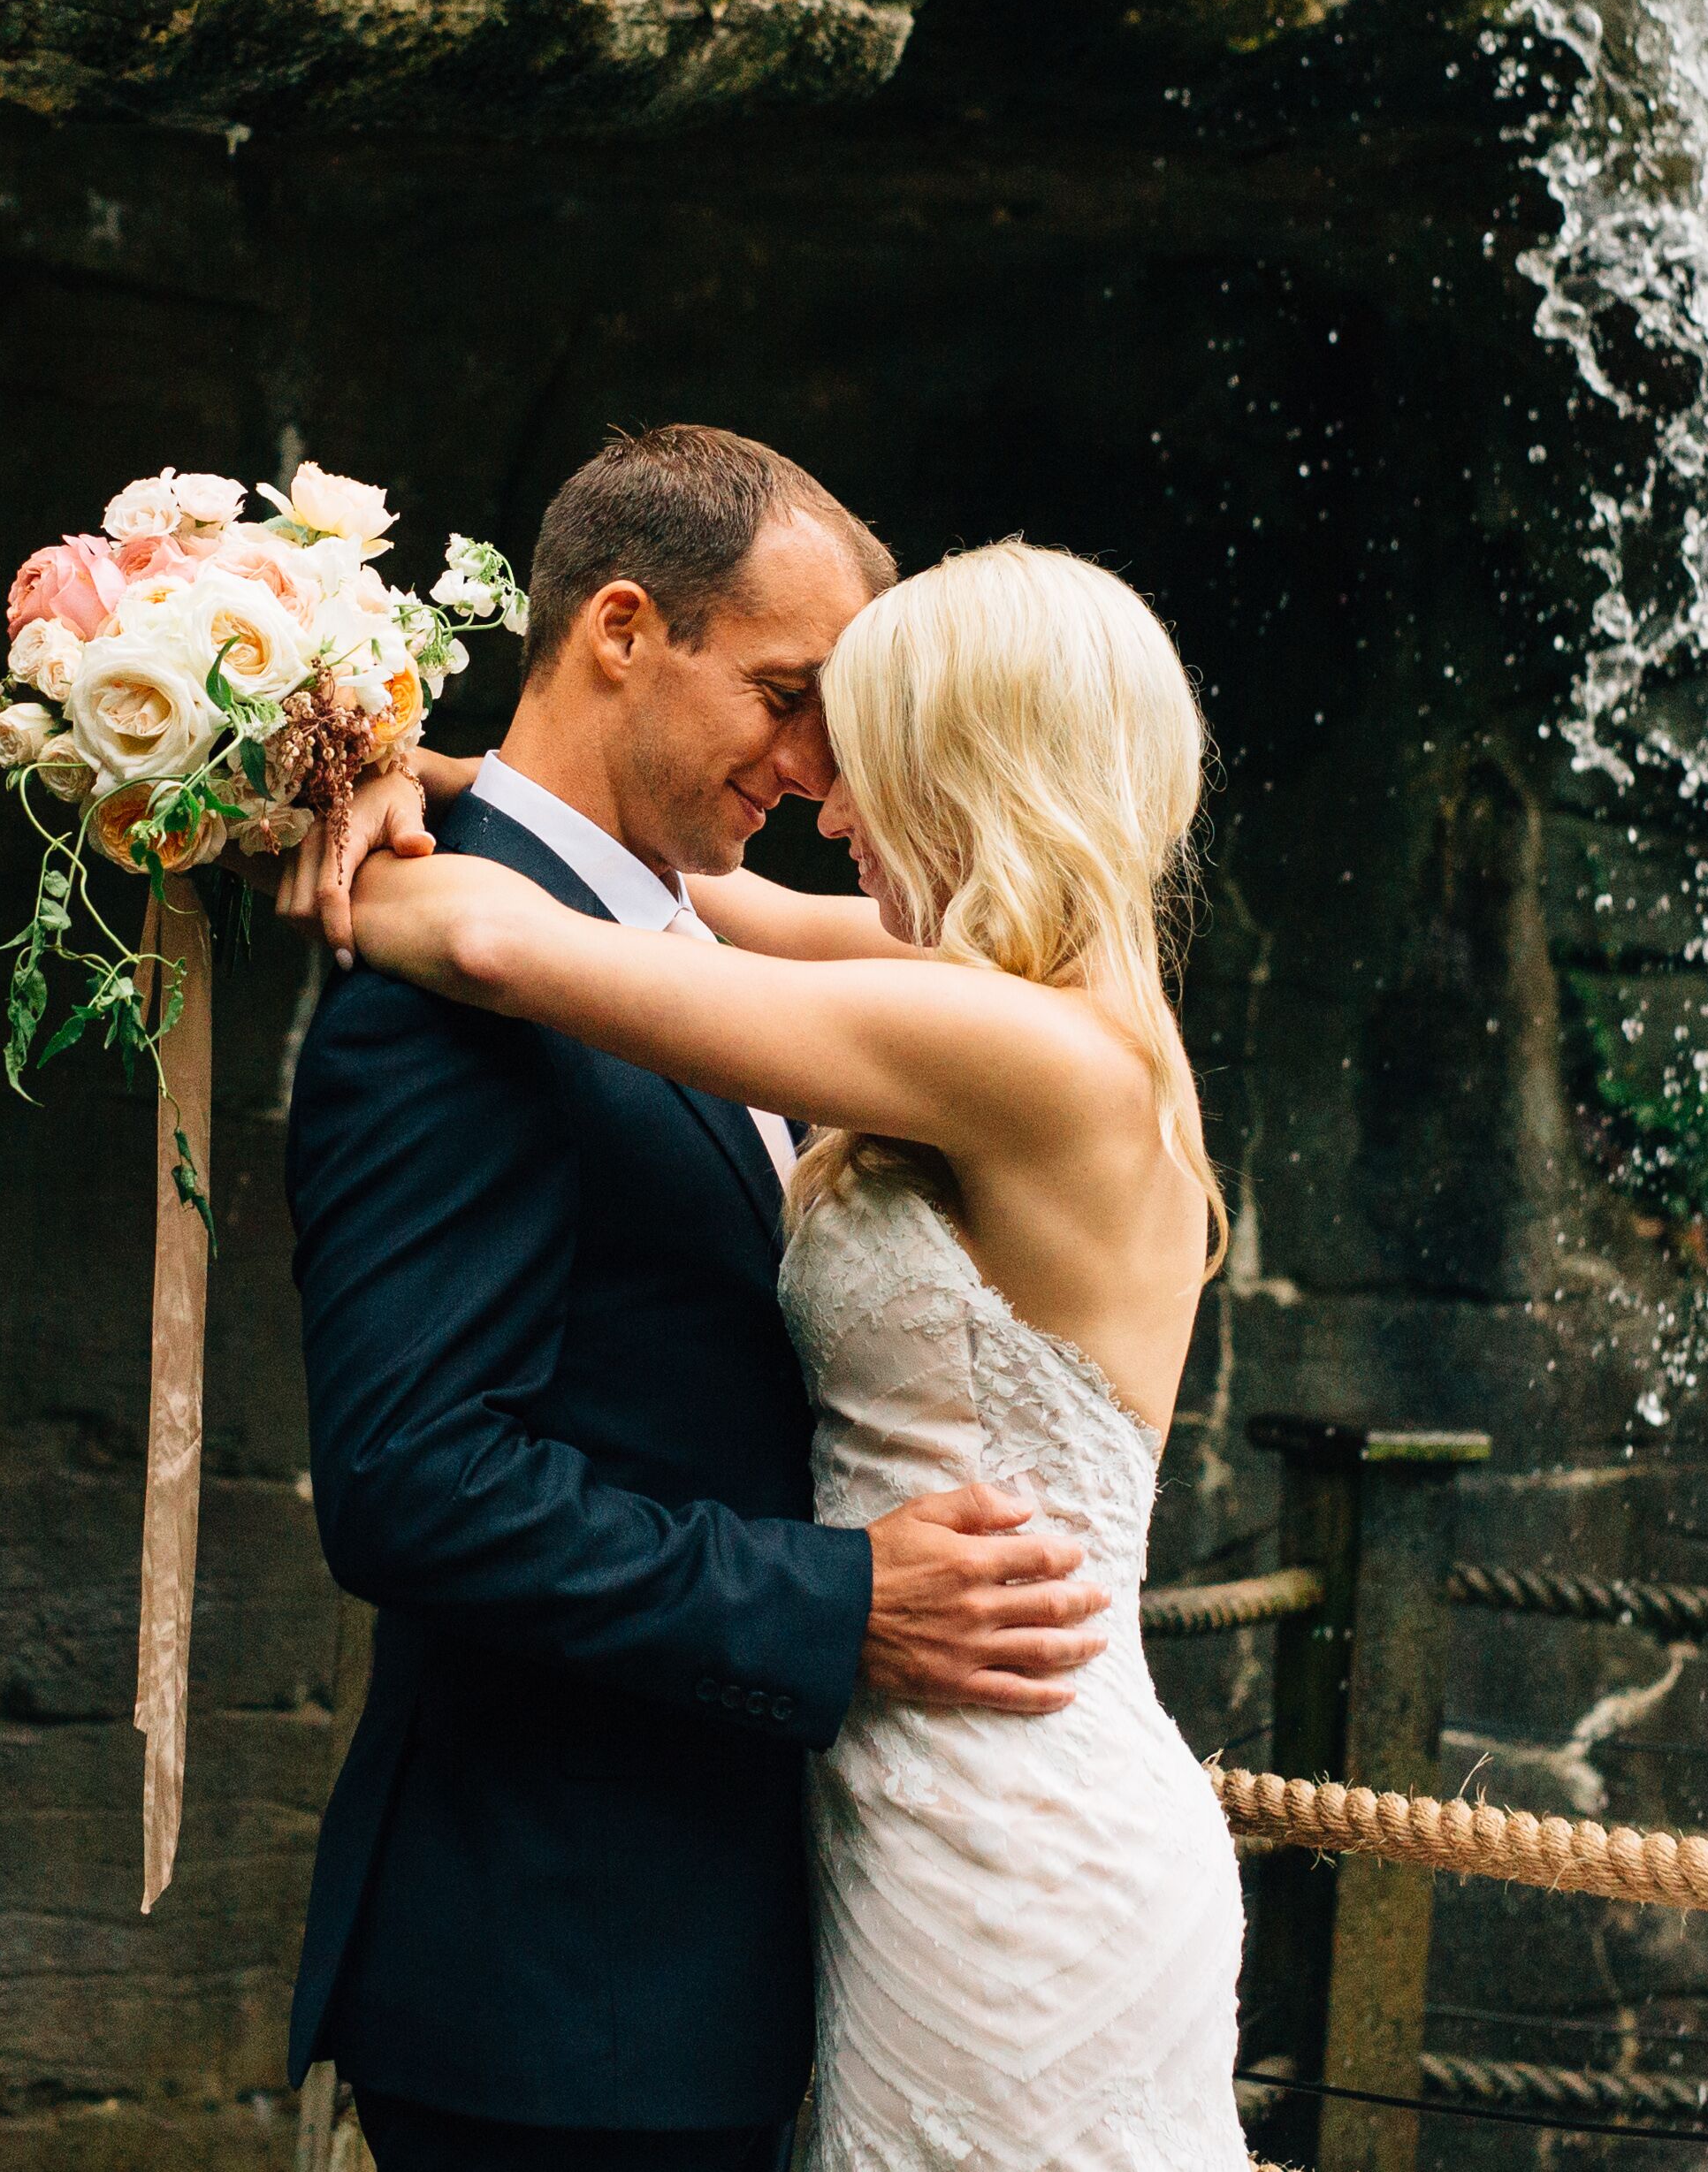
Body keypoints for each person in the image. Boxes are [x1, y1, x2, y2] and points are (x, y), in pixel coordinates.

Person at [317, 503, 1247, 2172]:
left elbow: (495, 941)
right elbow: (684, 908)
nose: (819, 788)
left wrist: (316, 860)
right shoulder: (1019, 994)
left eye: (857, 738)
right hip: (886, 1807)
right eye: (798, 715)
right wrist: (437, 781)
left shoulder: (1009, 1047)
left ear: (965, 770)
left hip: (1007, 1826)